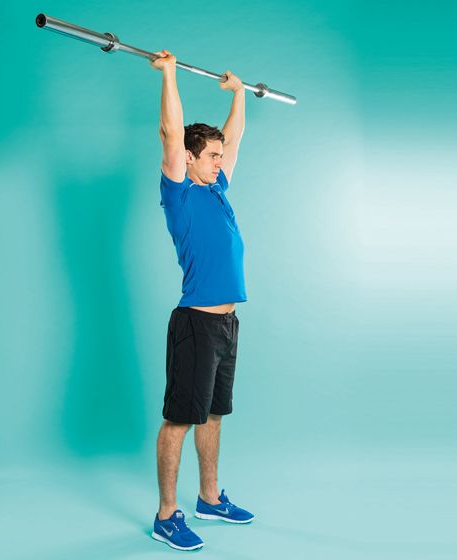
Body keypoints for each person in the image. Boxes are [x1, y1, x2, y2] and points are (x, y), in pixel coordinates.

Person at [149, 49, 256, 552]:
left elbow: (233, 139)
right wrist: (169, 75)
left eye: (218, 156)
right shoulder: (181, 193)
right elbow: (171, 133)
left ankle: (209, 499)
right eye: (210, 156)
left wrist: (238, 95)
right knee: (180, 419)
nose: (219, 161)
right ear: (190, 159)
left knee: (213, 415)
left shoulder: (216, 189)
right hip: (194, 323)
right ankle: (167, 515)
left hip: (228, 325)